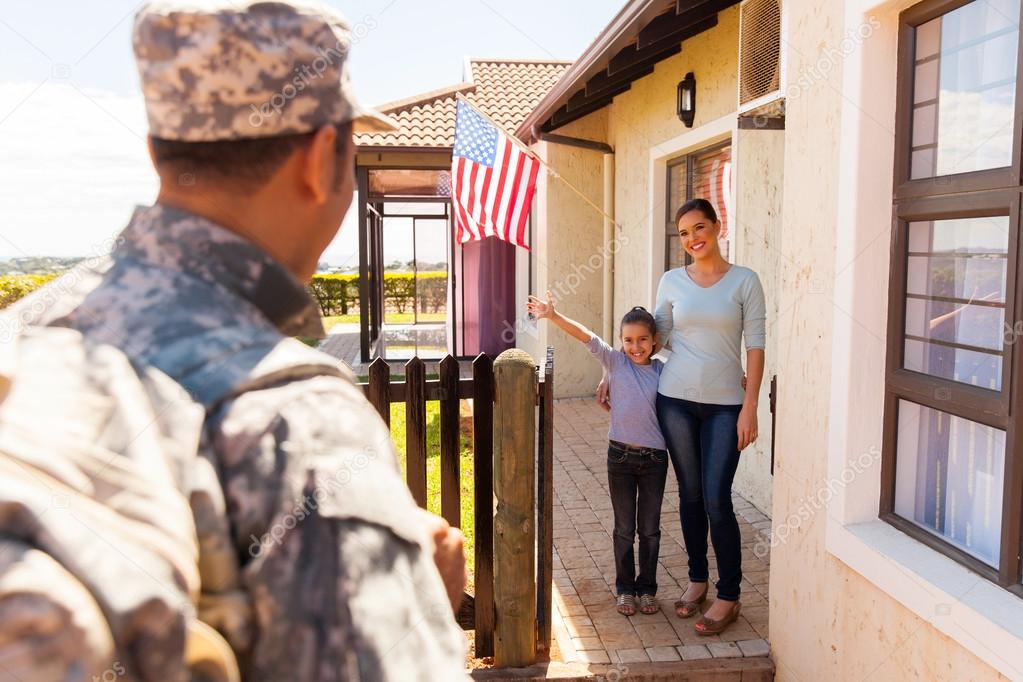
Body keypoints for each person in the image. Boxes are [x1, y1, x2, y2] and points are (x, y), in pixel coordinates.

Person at [2, 1, 468, 679]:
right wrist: (428, 610)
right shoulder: (296, 419)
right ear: (319, 158)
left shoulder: (25, 331)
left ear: (159, 152)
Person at [653, 198, 766, 636]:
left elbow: (756, 346)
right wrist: (618, 370)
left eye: (699, 228)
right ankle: (697, 579)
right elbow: (654, 337)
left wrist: (750, 407)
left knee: (718, 497)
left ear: (718, 227)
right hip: (674, 399)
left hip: (725, 406)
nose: (692, 239)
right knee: (690, 494)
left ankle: (729, 594)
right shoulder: (670, 281)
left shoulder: (744, 281)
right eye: (683, 233)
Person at [527, 292, 668, 617]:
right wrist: (553, 315)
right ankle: (625, 589)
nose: (636, 346)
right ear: (620, 341)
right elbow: (585, 336)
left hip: (655, 461)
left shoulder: (663, 371)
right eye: (629, 340)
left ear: (654, 340)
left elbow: (692, 368)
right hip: (619, 458)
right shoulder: (615, 362)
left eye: (643, 340)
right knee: (623, 528)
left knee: (649, 529)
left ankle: (647, 588)